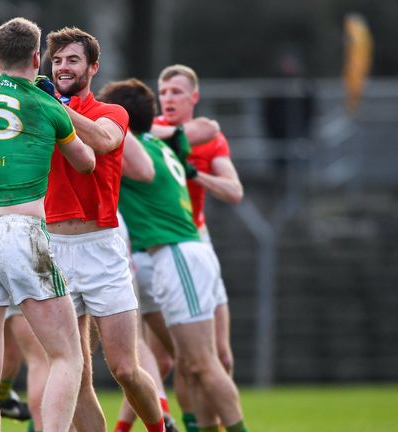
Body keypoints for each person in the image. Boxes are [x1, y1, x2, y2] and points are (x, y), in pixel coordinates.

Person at [0, 17, 94, 432]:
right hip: (20, 232)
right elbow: (86, 163)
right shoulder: (46, 103)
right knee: (67, 356)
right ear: (38, 57)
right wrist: (60, 113)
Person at [102, 78, 250, 432]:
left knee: (202, 363)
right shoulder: (161, 143)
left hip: (176, 254)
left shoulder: (131, 147)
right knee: (187, 361)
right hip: (180, 253)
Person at [44, 27, 165, 432]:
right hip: (54, 250)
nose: (63, 67)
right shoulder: (40, 110)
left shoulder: (112, 112)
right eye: (57, 60)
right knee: (75, 375)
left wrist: (55, 106)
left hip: (102, 248)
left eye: (72, 60)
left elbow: (102, 141)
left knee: (125, 368)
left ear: (93, 67)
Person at [153, 64, 244, 431]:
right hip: (161, 248)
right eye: (163, 92)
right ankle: (194, 425)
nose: (168, 98)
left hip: (198, 243)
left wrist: (197, 175)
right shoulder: (153, 132)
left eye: (176, 91)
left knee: (220, 356)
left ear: (194, 97)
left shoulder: (206, 140)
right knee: (179, 359)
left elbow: (234, 191)